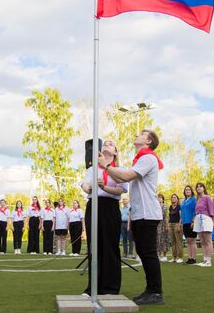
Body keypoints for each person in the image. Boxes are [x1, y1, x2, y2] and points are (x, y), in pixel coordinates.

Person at [99, 129, 164, 306]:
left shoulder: (148, 158)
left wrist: (106, 165)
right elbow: (122, 177)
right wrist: (108, 168)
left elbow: (126, 177)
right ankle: (150, 289)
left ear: (148, 141)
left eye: (141, 134)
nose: (137, 135)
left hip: (148, 212)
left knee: (148, 253)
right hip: (140, 213)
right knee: (143, 252)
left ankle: (156, 292)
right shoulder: (140, 159)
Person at [81, 140, 128, 296]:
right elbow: (85, 185)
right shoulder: (93, 168)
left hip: (110, 207)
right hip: (94, 205)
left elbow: (121, 190)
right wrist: (91, 187)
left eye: (111, 144)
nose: (107, 144)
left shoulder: (119, 169)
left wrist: (104, 187)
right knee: (94, 247)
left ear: (115, 151)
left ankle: (110, 288)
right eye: (105, 143)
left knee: (110, 247)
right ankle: (92, 288)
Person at [193, 182, 214, 267]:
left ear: (203, 188)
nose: (199, 188)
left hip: (206, 218)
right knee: (202, 241)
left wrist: (212, 221)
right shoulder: (197, 199)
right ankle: (205, 260)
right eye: (197, 187)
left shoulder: (207, 197)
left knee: (208, 241)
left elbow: (211, 210)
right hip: (198, 219)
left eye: (200, 186)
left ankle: (209, 261)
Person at [181, 185, 198, 264]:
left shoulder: (193, 199)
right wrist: (181, 222)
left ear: (191, 191)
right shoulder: (183, 201)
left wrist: (193, 221)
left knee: (192, 240)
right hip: (185, 223)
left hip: (191, 222)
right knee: (188, 241)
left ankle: (193, 258)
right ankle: (189, 258)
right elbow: (182, 212)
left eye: (189, 190)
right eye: (186, 190)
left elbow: (195, 211)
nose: (187, 191)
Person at [168, 194, 183, 263]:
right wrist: (168, 225)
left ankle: (180, 257)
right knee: (172, 242)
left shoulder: (179, 207)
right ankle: (174, 257)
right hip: (171, 225)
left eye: (175, 197)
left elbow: (181, 216)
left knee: (178, 242)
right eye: (172, 197)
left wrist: (180, 225)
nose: (173, 198)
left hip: (177, 224)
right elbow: (169, 216)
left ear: (177, 199)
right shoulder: (170, 207)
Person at [156, 194, 168, 262]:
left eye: (161, 198)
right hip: (156, 224)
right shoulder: (155, 206)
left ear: (163, 199)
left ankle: (164, 255)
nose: (159, 199)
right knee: (157, 239)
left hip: (163, 224)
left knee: (164, 239)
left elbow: (163, 215)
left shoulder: (164, 206)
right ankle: (158, 254)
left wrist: (166, 225)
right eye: (158, 197)